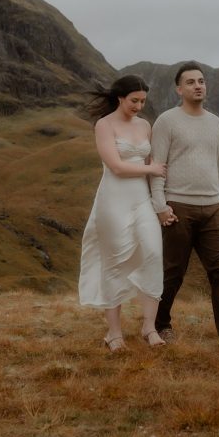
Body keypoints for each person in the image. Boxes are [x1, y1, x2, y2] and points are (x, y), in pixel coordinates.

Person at [150, 62, 219, 354]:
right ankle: (160, 323)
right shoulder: (167, 121)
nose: (198, 86)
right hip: (177, 206)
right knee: (173, 271)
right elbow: (158, 166)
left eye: (201, 81)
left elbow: (217, 166)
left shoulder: (216, 124)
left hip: (213, 207)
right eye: (191, 82)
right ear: (179, 89)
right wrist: (159, 205)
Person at [78, 74, 168, 352]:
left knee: (153, 253)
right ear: (120, 98)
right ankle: (114, 333)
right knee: (114, 262)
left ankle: (149, 327)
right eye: (134, 100)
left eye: (143, 101)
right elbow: (116, 166)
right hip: (113, 201)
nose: (139, 106)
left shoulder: (145, 125)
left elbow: (154, 163)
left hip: (141, 199)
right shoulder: (104, 125)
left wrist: (161, 202)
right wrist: (150, 169)